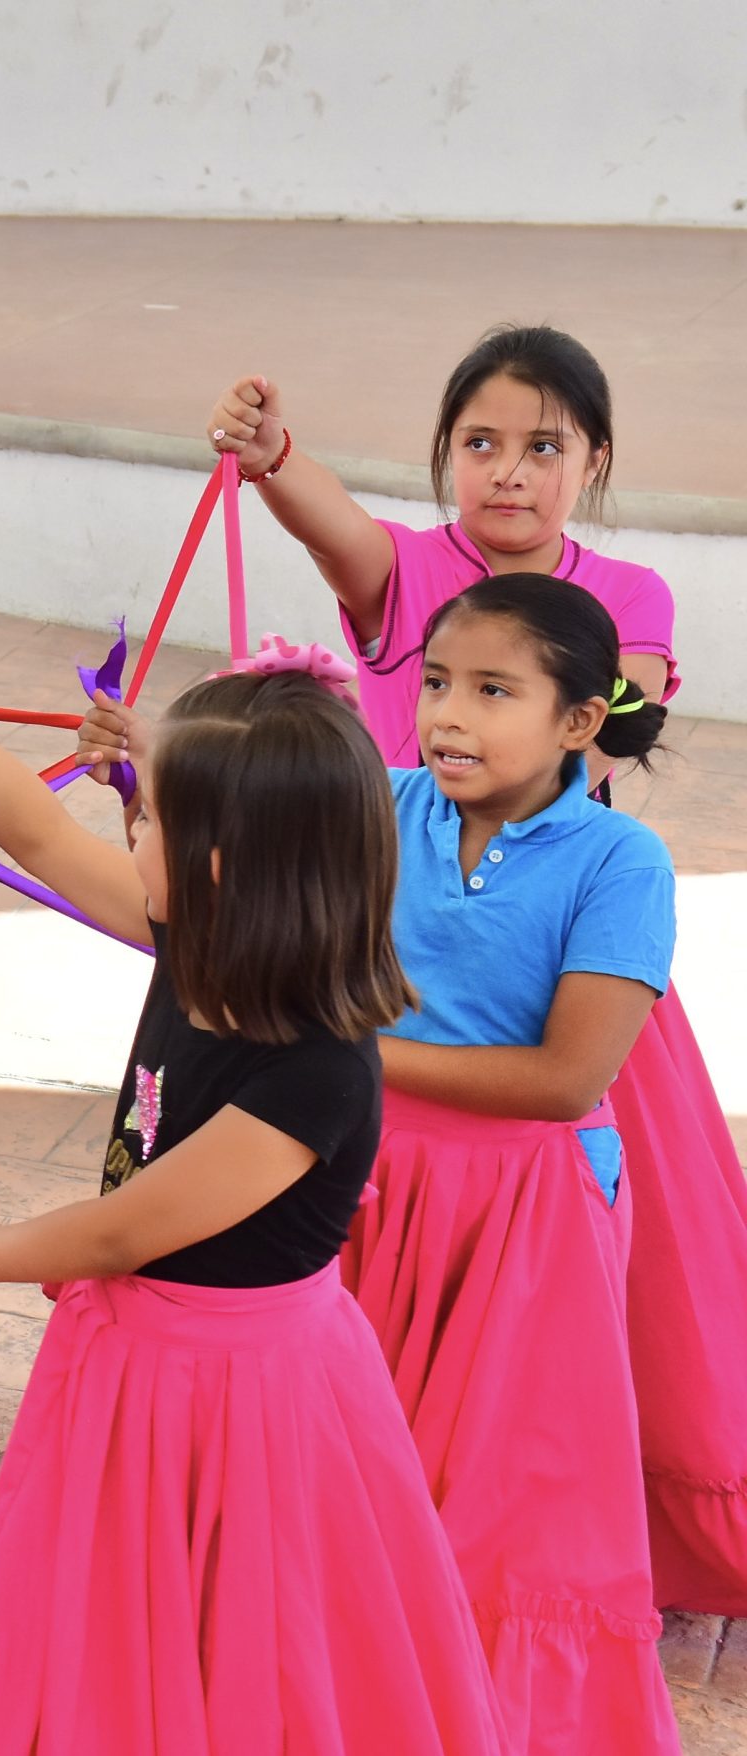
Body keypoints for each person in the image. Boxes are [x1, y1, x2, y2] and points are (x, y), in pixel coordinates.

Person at [0, 620, 501, 1753]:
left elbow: (122, 1232)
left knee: (238, 1623)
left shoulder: (316, 1072)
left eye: (151, 815)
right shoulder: (197, 937)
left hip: (237, 1397)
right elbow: (34, 831)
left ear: (221, 860)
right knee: (121, 1611)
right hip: (139, 1361)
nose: (129, 827)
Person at [195, 329, 746, 1613]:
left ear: (592, 462)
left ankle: (551, 1539)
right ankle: (351, 1541)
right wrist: (270, 453)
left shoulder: (629, 595)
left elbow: (620, 725)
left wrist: (575, 717)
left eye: (543, 447)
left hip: (551, 970)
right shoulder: (407, 573)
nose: (508, 471)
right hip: (398, 945)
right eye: (480, 443)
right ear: (445, 454)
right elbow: (330, 524)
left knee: (595, 1298)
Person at [89, 579, 681, 1751]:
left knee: (503, 1496)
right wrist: (160, 762)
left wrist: (339, 1047)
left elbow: (566, 1078)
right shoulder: (381, 803)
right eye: (437, 683)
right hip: (353, 1179)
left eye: (494, 690)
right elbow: (256, 833)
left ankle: (470, 1719)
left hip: (521, 1216)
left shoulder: (622, 861)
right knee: (341, 1473)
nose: (448, 714)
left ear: (579, 721)